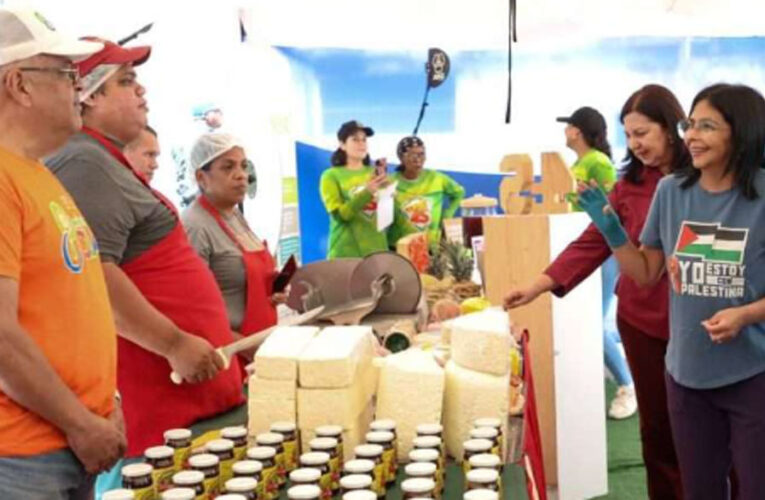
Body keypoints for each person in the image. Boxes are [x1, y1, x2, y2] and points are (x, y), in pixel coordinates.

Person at [45, 39, 244, 492]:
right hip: (161, 407)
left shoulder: (102, 160)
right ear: (89, 95)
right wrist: (173, 343)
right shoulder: (83, 161)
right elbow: (93, 276)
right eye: (127, 81)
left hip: (185, 398)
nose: (142, 92)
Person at [578, 83, 765, 499]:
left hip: (753, 373)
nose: (692, 136)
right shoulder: (672, 191)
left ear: (742, 131)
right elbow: (645, 273)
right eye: (690, 124)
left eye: (707, 126)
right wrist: (611, 231)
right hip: (686, 375)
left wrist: (746, 315)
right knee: (699, 489)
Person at [505, 85, 688, 499]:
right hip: (643, 323)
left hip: (700, 326)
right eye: (630, 136)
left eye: (643, 133)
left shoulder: (707, 179)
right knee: (656, 429)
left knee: (707, 429)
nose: (635, 144)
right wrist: (537, 285)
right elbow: (592, 242)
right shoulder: (628, 186)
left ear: (673, 128)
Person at [0, 9, 125, 498]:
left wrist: (103, 403)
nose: (79, 87)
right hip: (24, 459)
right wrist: (80, 422)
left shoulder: (37, 173)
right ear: (19, 85)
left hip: (65, 445)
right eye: (66, 73)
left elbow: (69, 306)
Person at [557, 105, 636, 419]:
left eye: (568, 126)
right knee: (593, 321)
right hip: (585, 250)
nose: (564, 132)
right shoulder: (578, 163)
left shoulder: (599, 163)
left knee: (594, 322)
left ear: (578, 130)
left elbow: (612, 210)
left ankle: (627, 385)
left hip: (603, 250)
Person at [183, 133, 283, 358]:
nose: (241, 176)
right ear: (201, 177)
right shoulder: (195, 226)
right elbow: (193, 310)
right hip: (229, 351)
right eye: (228, 167)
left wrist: (271, 291)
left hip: (258, 344)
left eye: (243, 166)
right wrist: (245, 347)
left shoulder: (235, 215)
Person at [320, 120, 389, 258]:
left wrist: (388, 193)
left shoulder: (375, 173)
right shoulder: (331, 175)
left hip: (377, 251)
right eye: (355, 139)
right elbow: (340, 216)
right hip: (345, 253)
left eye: (364, 140)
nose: (361, 143)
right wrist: (368, 192)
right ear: (342, 144)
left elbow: (386, 219)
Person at [387, 136, 465, 247]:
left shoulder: (437, 178)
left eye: (421, 154)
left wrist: (448, 214)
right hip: (400, 246)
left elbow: (459, 193)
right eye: (412, 155)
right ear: (401, 158)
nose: (418, 159)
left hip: (431, 245)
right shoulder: (391, 182)